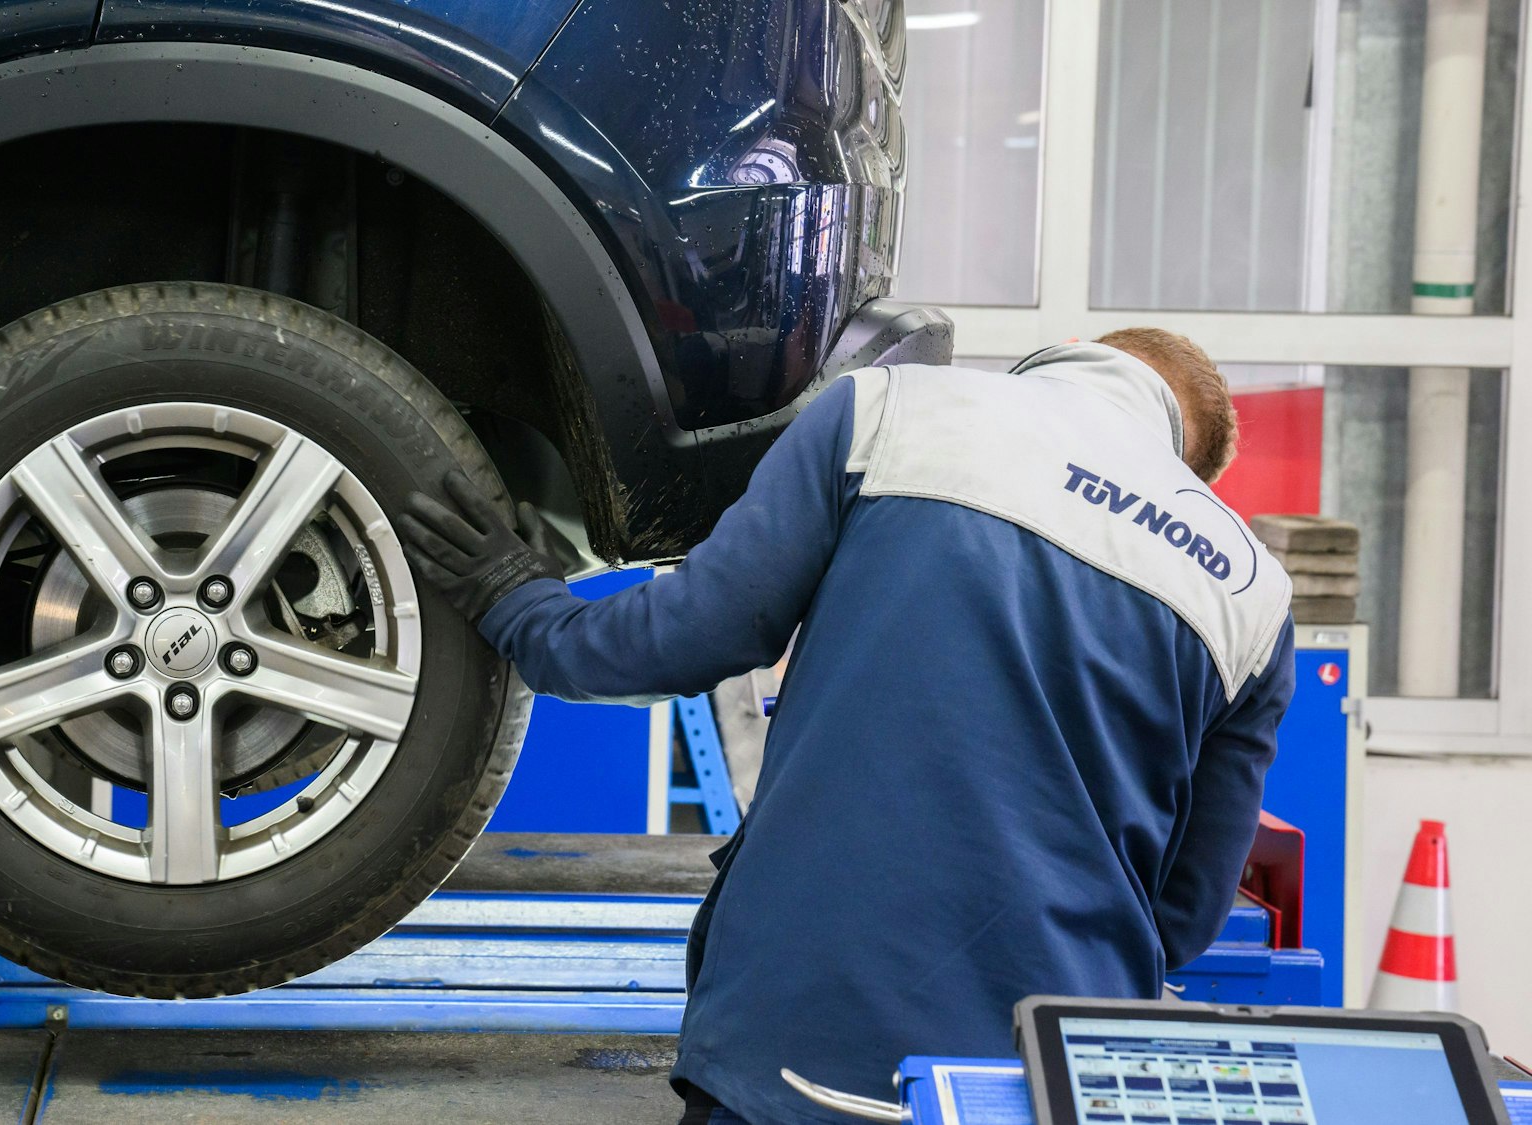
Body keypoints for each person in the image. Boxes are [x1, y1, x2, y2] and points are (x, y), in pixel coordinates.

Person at [399, 330, 1296, 1125]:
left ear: (1053, 364)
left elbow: (678, 641)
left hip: (803, 1038)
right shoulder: (1252, 595)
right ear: (1187, 468)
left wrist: (516, 600)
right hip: (1050, 1071)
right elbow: (1183, 912)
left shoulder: (896, 413)